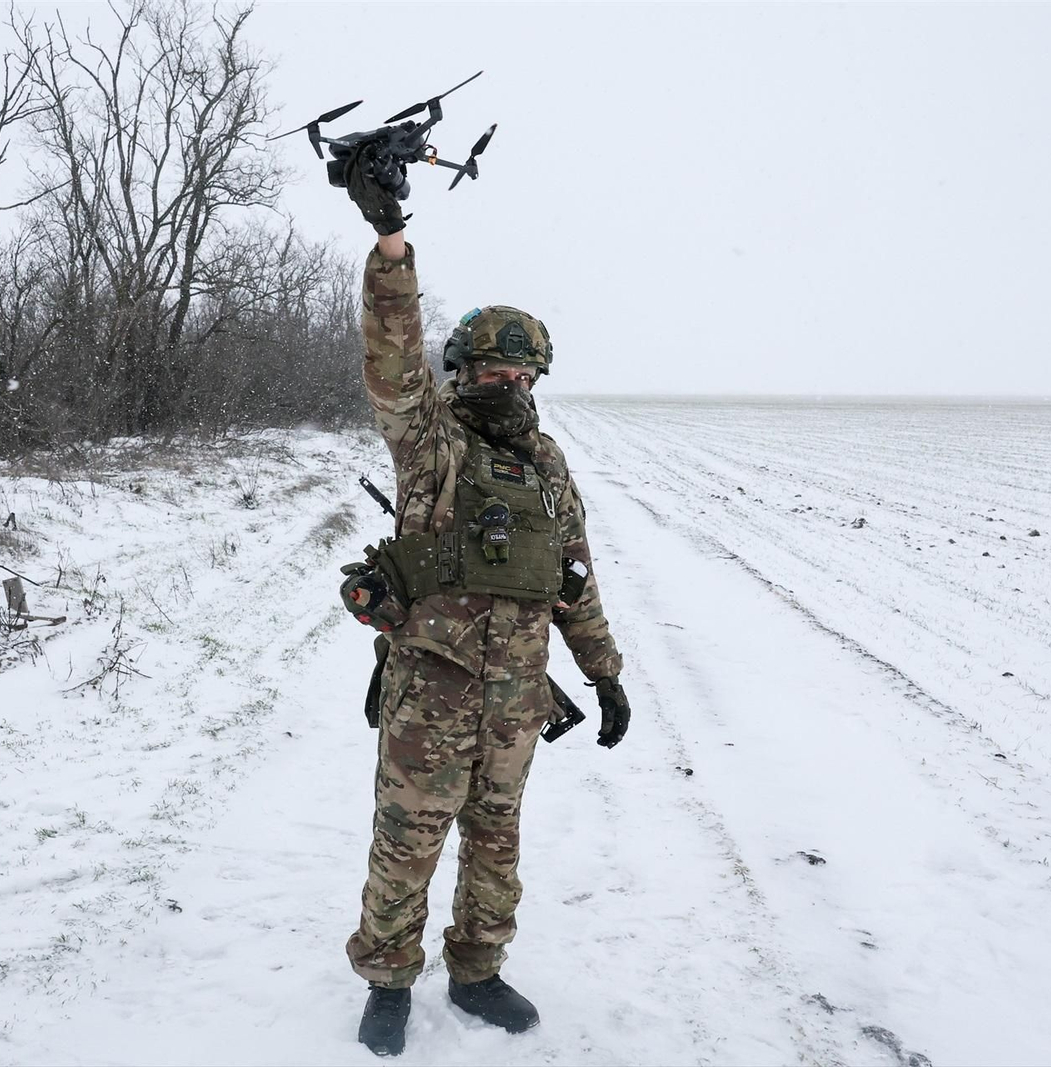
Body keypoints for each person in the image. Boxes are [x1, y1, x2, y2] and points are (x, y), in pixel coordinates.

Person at [341, 144, 633, 1057]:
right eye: (488, 375)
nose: (505, 389)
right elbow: (392, 369)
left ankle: (477, 967)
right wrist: (392, 243)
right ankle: (389, 977)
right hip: (433, 691)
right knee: (408, 838)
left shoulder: (548, 468)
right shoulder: (434, 450)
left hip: (516, 698)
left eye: (519, 377)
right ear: (461, 376)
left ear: (536, 380)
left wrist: (606, 671)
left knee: (497, 840)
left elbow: (573, 578)